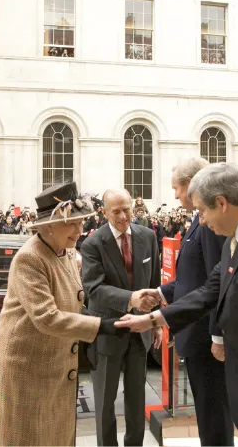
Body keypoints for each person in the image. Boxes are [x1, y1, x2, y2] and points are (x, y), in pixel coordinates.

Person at [116, 163, 238, 446]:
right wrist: (154, 319)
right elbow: (209, 290)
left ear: (221, 203)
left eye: (203, 211)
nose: (202, 221)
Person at [0, 182, 127, 446]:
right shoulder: (29, 258)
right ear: (50, 224)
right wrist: (103, 326)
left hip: (52, 361)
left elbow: (73, 301)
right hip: (27, 366)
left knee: (56, 435)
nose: (80, 230)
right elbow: (47, 317)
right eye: (72, 223)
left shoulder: (65, 250)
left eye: (81, 222)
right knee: (28, 437)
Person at [157, 157, 232, 446]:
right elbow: (192, 275)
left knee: (214, 418)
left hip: (207, 341)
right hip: (198, 335)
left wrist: (218, 336)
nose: (175, 195)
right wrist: (162, 293)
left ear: (191, 184)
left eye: (177, 188)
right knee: (207, 416)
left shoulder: (209, 223)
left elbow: (218, 283)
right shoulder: (197, 221)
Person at [81, 188, 162, 447]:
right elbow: (94, 289)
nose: (123, 216)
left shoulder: (148, 237)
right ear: (103, 212)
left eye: (126, 209)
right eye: (116, 211)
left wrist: (156, 321)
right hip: (108, 332)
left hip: (140, 334)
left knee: (137, 400)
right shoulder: (93, 243)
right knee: (105, 403)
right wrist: (131, 299)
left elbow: (154, 282)